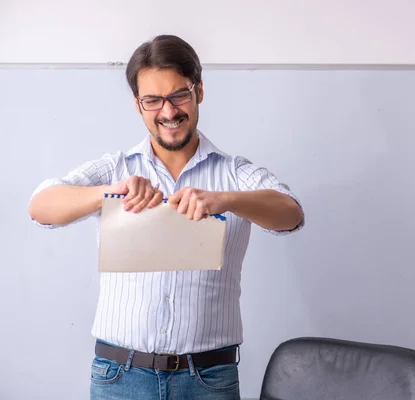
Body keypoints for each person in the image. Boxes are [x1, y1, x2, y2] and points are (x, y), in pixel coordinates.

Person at [28, 34, 304, 400]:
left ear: (199, 91)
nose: (169, 111)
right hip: (119, 377)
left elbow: (291, 213)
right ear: (138, 105)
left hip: (208, 380)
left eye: (179, 95)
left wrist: (226, 200)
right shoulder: (116, 168)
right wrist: (109, 194)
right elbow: (41, 206)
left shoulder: (235, 173)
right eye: (153, 100)